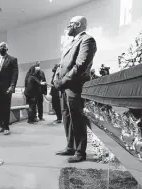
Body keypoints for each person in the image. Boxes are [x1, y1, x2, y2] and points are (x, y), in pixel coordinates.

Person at [53, 16, 97, 163]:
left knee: (77, 119)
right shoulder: (71, 42)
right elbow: (61, 65)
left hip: (75, 87)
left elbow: (80, 66)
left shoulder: (87, 40)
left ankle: (80, 151)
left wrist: (63, 82)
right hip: (65, 87)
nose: (68, 27)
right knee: (67, 118)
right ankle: (70, 146)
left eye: (70, 24)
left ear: (78, 25)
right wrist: (56, 78)